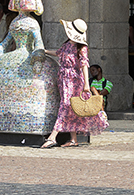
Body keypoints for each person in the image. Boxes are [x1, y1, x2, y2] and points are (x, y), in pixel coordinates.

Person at [0, 0, 59, 133]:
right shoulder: (21, 23)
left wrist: (38, 57)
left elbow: (36, 42)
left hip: (23, 54)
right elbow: (7, 41)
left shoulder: (24, 23)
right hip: (22, 54)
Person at [41, 19, 108, 148]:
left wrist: (86, 85)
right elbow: (58, 53)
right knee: (71, 106)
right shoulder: (66, 44)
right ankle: (73, 139)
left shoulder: (82, 48)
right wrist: (44, 51)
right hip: (64, 79)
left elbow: (84, 65)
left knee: (66, 105)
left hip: (74, 80)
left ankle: (52, 137)